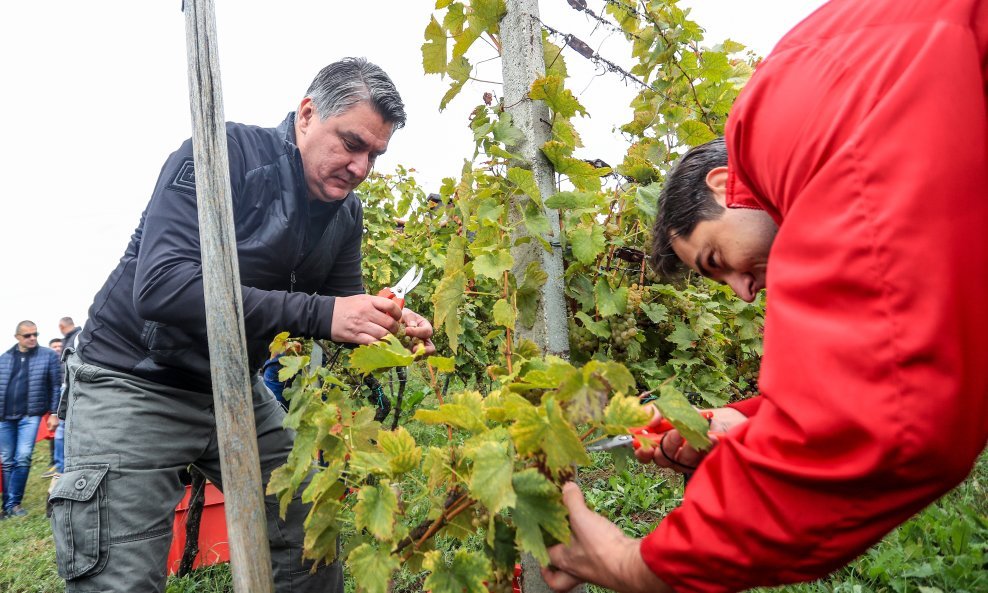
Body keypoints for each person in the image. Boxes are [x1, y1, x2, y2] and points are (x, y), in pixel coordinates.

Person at [541, 1, 988, 592]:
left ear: (726, 186)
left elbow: (887, 411)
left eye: (715, 261)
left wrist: (638, 565)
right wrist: (744, 426)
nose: (743, 294)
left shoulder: (786, 126)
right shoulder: (829, 77)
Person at [52, 57, 434, 592]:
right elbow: (163, 286)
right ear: (307, 115)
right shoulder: (221, 154)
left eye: (375, 154)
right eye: (351, 144)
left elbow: (341, 302)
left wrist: (386, 320)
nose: (361, 167)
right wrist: (325, 312)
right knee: (119, 576)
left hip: (232, 384)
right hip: (133, 379)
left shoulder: (345, 212)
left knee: (305, 526)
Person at [0, 321, 62, 519]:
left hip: (31, 415)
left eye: (35, 334)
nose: (33, 338)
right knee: (7, 460)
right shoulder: (4, 358)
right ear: (17, 337)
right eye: (28, 335)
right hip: (4, 417)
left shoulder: (49, 356)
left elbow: (54, 386)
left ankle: (14, 504)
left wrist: (54, 413)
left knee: (23, 456)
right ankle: (8, 504)